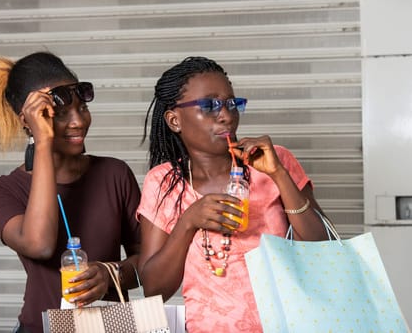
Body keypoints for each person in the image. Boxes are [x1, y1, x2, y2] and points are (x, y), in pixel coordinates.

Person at [137, 56, 329, 332]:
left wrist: (279, 175)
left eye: (231, 103)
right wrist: (189, 222)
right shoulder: (164, 183)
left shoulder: (276, 161)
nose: (226, 115)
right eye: (209, 105)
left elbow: (321, 250)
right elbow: (154, 289)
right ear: (174, 120)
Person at [0, 51, 141, 333]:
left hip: (107, 327)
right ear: (28, 120)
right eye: (60, 113)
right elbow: (40, 244)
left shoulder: (115, 174)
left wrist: (111, 276)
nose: (78, 122)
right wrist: (44, 142)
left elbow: (148, 263)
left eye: (82, 108)